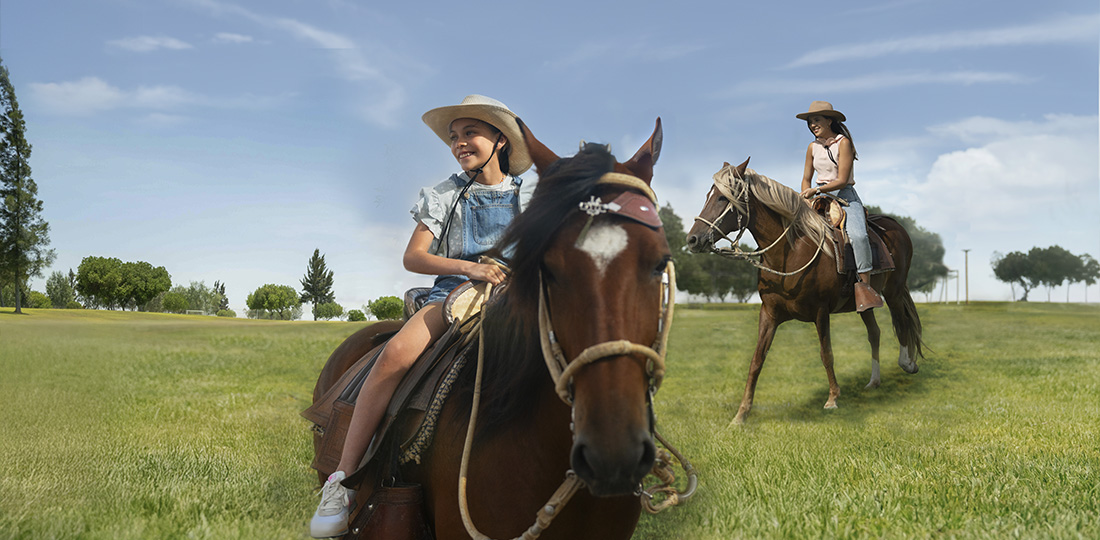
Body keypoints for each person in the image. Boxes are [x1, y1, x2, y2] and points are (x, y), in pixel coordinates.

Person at [310, 95, 535, 538]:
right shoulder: (445, 194)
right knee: (394, 355)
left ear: (500, 139)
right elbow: (414, 257)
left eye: (470, 133)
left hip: (516, 297)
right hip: (453, 296)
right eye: (454, 137)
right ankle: (344, 481)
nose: (459, 143)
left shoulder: (529, 197)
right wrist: (470, 268)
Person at [796, 100, 884, 312]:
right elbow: (806, 178)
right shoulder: (812, 147)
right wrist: (807, 196)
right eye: (810, 122)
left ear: (829, 120)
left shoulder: (843, 143)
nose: (812, 125)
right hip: (817, 196)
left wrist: (817, 190)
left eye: (817, 120)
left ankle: (865, 287)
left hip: (844, 196)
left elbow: (842, 179)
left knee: (859, 236)